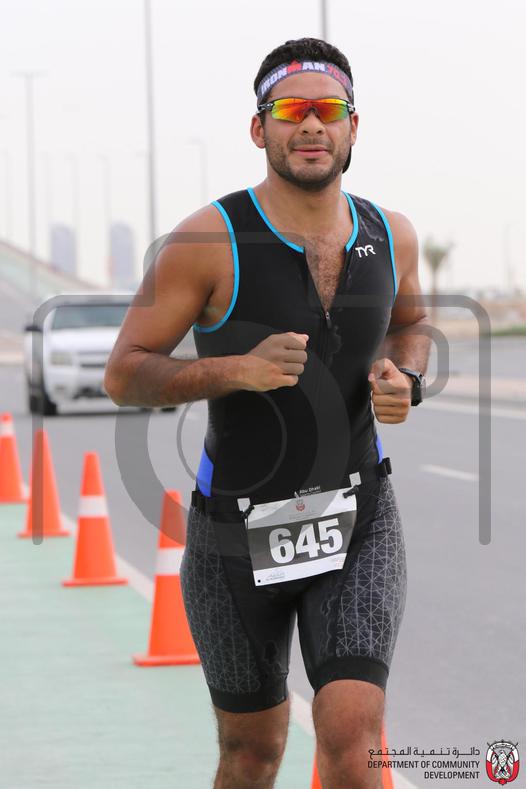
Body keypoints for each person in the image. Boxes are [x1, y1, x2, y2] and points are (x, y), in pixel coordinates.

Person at [105, 36, 430, 789]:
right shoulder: (207, 241)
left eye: (329, 109)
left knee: (352, 734)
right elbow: (124, 373)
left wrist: (405, 374)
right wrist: (236, 371)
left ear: (353, 127)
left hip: (358, 517)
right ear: (260, 129)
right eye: (290, 110)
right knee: (252, 753)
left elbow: (411, 325)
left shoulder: (391, 235)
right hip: (234, 531)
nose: (311, 124)